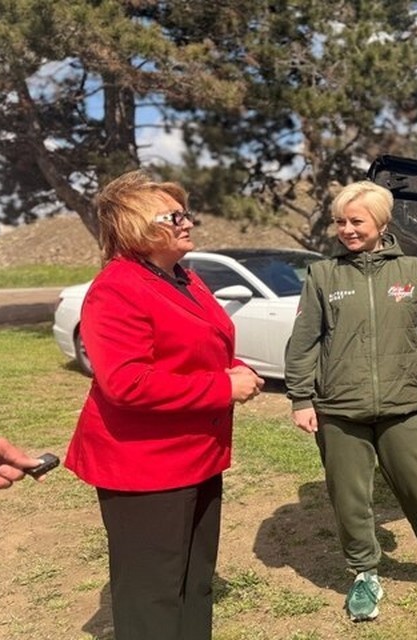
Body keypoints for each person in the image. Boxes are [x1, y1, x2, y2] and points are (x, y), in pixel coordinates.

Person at [64, 170, 264, 640]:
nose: (187, 221)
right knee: (151, 593)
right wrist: (222, 387)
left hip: (196, 455)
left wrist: (236, 370)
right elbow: (127, 382)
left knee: (195, 582)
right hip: (145, 467)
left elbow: (200, 346)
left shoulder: (183, 279)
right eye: (173, 215)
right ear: (136, 226)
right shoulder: (117, 287)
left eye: (185, 212)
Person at [285, 180, 417, 622]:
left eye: (357, 221)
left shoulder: (413, 271)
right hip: (339, 408)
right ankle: (363, 573)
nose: (348, 230)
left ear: (381, 222)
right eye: (341, 221)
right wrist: (301, 397)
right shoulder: (323, 275)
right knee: (350, 497)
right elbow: (303, 342)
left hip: (403, 403)